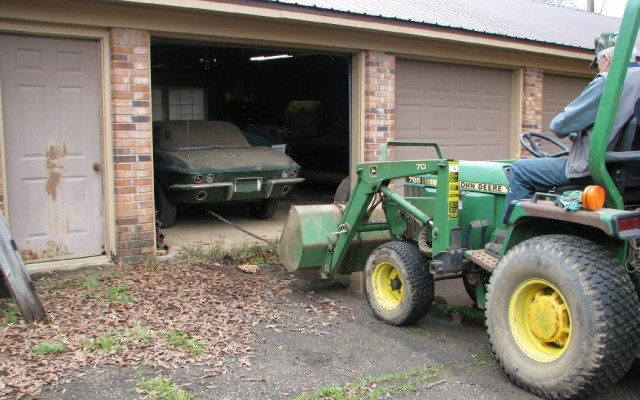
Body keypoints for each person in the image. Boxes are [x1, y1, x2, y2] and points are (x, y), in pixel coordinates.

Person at [503, 32, 640, 220]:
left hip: (600, 169)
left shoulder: (609, 82)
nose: (598, 70)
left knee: (520, 170)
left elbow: (561, 126)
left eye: (598, 64)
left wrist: (571, 128)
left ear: (606, 58)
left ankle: (515, 235)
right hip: (632, 170)